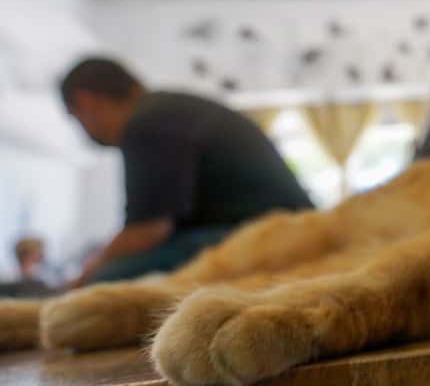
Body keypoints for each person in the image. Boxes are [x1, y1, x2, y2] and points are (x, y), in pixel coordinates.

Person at [59, 57, 314, 285]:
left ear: (86, 101)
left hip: (273, 237)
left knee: (105, 280)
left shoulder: (147, 122)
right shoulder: (168, 111)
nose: (83, 130)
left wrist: (86, 275)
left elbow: (148, 231)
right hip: (288, 230)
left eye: (76, 118)